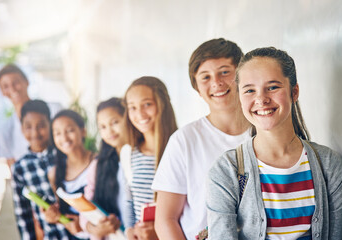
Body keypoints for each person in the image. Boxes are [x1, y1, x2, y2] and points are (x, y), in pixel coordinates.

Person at [207, 47, 342, 240]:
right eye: (249, 90)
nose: (261, 99)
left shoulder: (328, 164)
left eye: (272, 87)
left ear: (294, 91)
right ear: (240, 97)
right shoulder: (226, 170)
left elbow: (335, 235)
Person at [151, 38, 250, 239]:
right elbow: (165, 219)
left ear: (241, 75)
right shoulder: (184, 140)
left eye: (224, 72)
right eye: (205, 77)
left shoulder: (265, 132)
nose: (216, 83)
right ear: (196, 86)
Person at [124, 76, 177, 240]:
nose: (139, 113)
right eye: (132, 107)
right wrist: (129, 231)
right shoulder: (128, 153)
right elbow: (129, 202)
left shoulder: (179, 148)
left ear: (162, 105)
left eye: (147, 104)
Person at [11, 100, 70, 239]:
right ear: (21, 128)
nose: (35, 132)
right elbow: (23, 215)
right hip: (51, 235)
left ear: (50, 125)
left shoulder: (64, 154)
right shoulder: (19, 168)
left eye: (41, 125)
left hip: (78, 232)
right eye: (28, 127)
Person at [79, 97, 133, 239]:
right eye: (102, 127)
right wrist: (94, 229)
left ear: (128, 119)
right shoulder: (98, 166)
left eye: (115, 122)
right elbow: (87, 207)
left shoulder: (141, 159)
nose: (109, 130)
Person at [0, 64, 62, 165]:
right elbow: (13, 169)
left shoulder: (54, 110)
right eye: (5, 86)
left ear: (26, 82)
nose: (12, 89)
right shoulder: (5, 131)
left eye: (16, 82)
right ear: (2, 92)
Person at [43, 110, 94, 240]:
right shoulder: (54, 174)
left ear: (83, 131)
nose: (64, 138)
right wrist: (54, 217)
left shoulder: (98, 163)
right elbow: (66, 216)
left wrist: (84, 225)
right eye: (57, 133)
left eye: (69, 130)